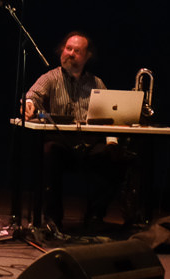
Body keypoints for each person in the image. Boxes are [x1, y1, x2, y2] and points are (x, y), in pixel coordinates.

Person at [23, 31, 134, 233]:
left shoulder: (97, 83)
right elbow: (33, 95)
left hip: (89, 146)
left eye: (77, 50)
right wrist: (28, 104)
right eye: (68, 49)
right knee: (49, 153)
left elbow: (110, 117)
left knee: (119, 159)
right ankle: (52, 219)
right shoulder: (50, 78)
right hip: (62, 146)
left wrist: (112, 142)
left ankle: (95, 215)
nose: (71, 53)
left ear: (87, 56)